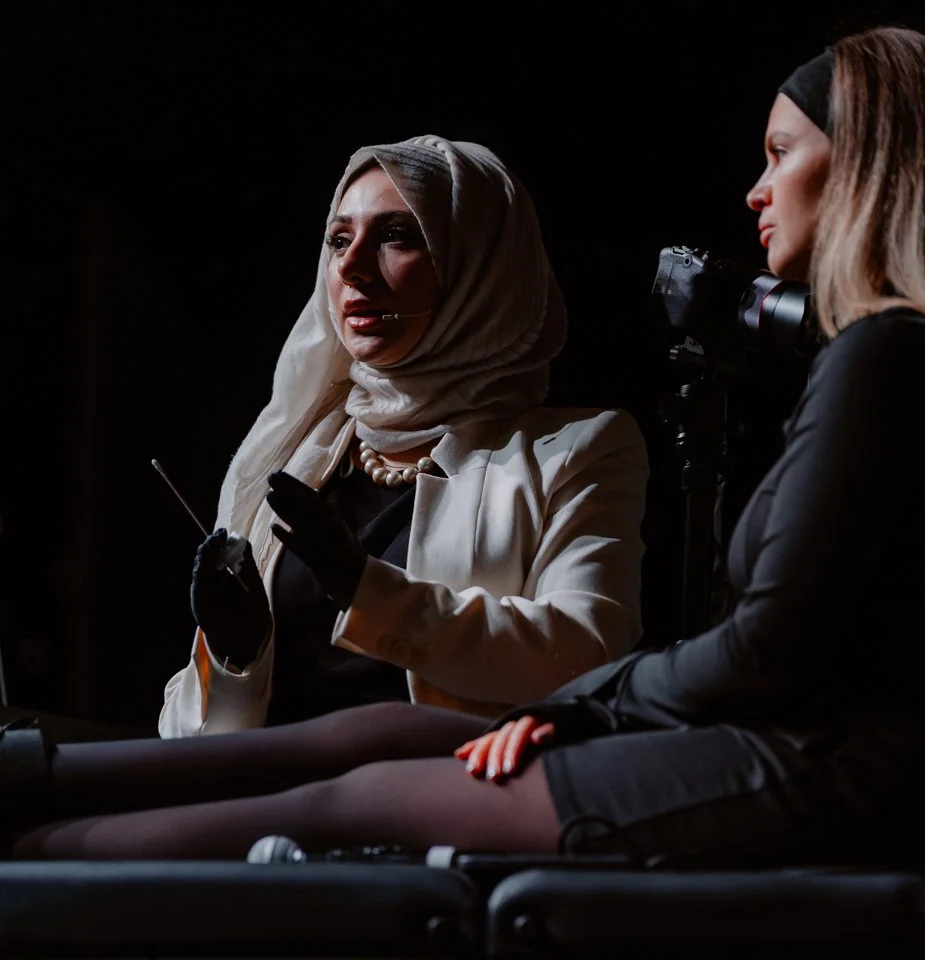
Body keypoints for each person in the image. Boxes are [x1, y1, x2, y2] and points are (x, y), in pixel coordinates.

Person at [0, 25, 925, 869]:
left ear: (872, 170)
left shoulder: (880, 359)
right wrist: (237, 644)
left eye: (781, 155)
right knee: (358, 746)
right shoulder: (298, 445)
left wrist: (583, 711)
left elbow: (760, 649)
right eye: (337, 240)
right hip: (807, 753)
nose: (755, 189)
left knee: (355, 793)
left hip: (821, 776)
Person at [159, 135, 649, 734]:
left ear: (478, 267)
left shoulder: (578, 449)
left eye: (396, 235)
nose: (351, 266)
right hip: (275, 784)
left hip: (444, 784)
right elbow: (185, 733)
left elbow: (586, 653)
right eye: (339, 240)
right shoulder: (296, 448)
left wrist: (369, 591)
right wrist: (234, 661)